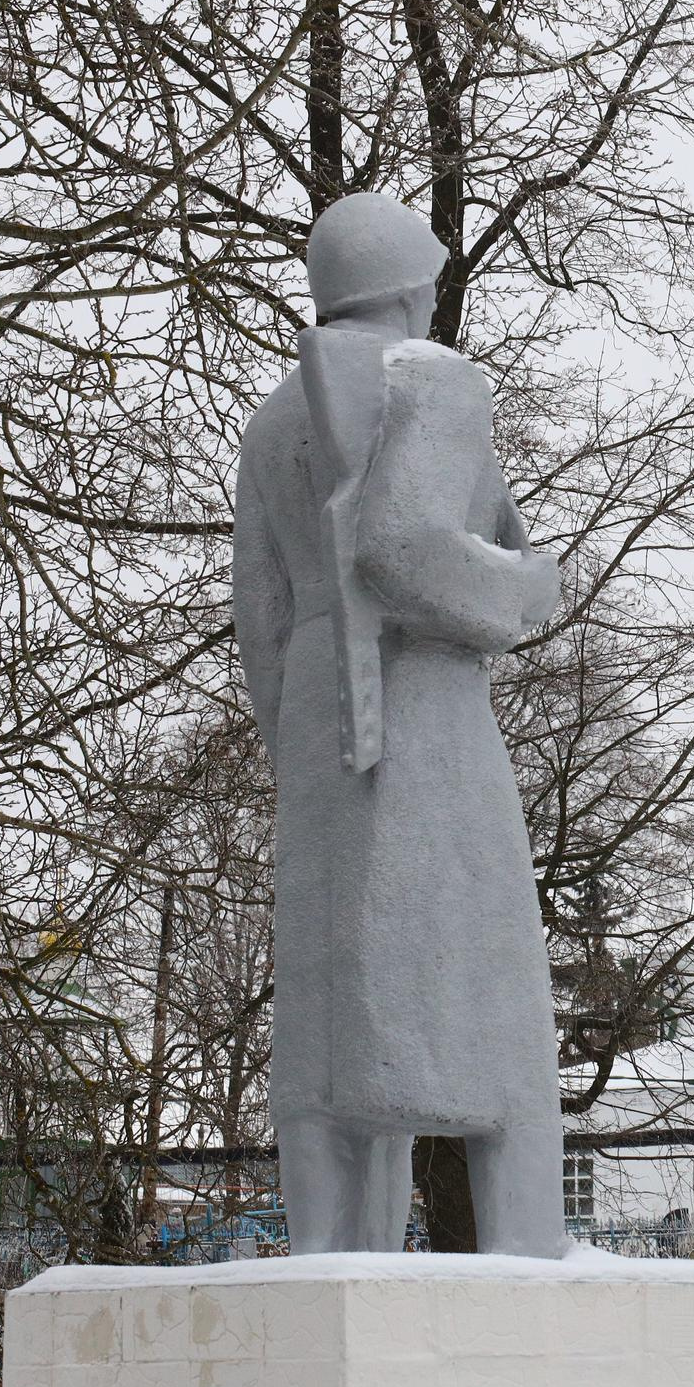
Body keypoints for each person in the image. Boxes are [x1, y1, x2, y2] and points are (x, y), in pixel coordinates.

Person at [233, 193, 565, 1257]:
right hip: (420, 697)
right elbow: (405, 544)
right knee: (492, 988)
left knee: (333, 1025)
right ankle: (528, 1251)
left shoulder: (279, 415)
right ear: (412, 285)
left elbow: (260, 610)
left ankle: (334, 1256)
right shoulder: (432, 379)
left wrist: (295, 734)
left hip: (319, 707)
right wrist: (522, 591)